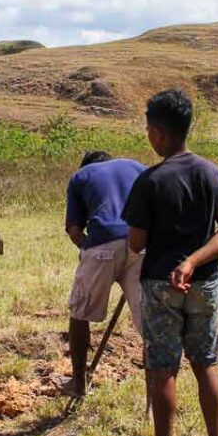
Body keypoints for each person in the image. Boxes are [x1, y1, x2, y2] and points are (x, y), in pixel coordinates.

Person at [123, 89, 218, 436]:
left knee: (163, 368)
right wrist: (194, 260)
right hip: (205, 282)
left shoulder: (150, 180)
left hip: (160, 283)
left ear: (158, 132)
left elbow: (137, 243)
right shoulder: (213, 173)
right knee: (206, 363)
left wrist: (173, 254)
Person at [64, 149, 146, 398]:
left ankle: (79, 385)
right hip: (142, 243)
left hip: (102, 244)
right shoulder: (137, 166)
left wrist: (90, 249)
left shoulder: (81, 176)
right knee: (151, 323)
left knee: (80, 313)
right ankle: (156, 398)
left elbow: (75, 230)